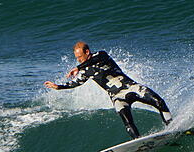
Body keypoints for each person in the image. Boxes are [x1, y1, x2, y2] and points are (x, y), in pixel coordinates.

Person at [44, 41, 173, 139]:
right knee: (128, 122)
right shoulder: (84, 71)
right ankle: (139, 143)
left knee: (159, 102)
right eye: (77, 58)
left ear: (87, 52)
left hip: (131, 88)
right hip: (117, 97)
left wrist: (78, 67)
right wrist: (58, 87)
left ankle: (172, 128)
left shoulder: (101, 55)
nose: (78, 60)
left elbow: (95, 60)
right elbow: (76, 83)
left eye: (80, 57)